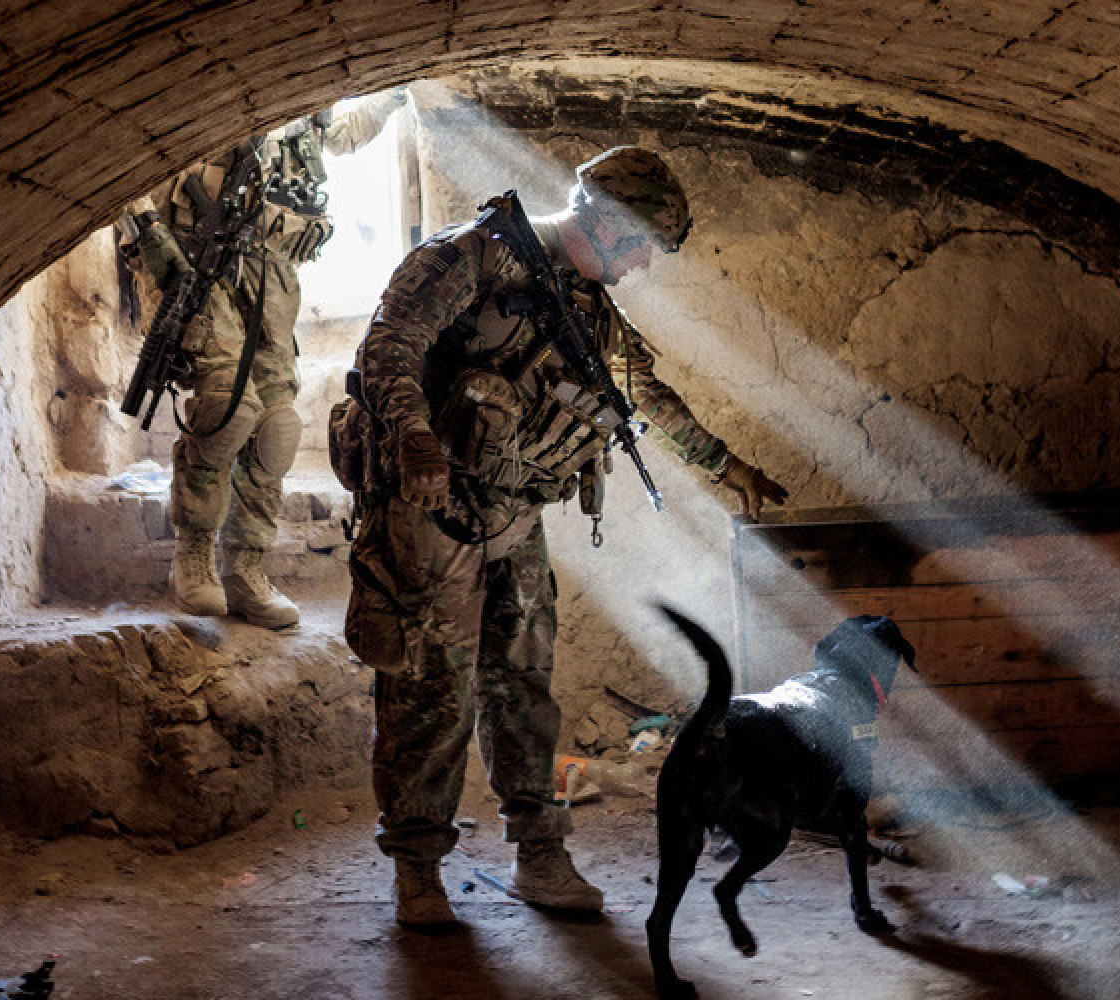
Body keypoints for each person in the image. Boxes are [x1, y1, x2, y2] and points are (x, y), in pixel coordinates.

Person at [335, 146, 790, 926]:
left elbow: (640, 392)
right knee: (430, 695)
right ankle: (418, 870)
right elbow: (391, 343)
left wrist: (728, 466)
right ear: (609, 222)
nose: (645, 263)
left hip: (513, 516)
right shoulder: (468, 257)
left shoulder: (584, 305)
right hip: (429, 516)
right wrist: (412, 436)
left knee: (524, 694)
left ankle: (539, 855)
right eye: (644, 243)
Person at [122, 90, 404, 628]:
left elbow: (342, 133)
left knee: (278, 427)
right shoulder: (205, 89)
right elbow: (128, 174)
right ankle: (194, 556)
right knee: (229, 406)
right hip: (200, 269)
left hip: (271, 283)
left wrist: (397, 96)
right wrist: (156, 254)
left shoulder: (304, 105)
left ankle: (245, 570)